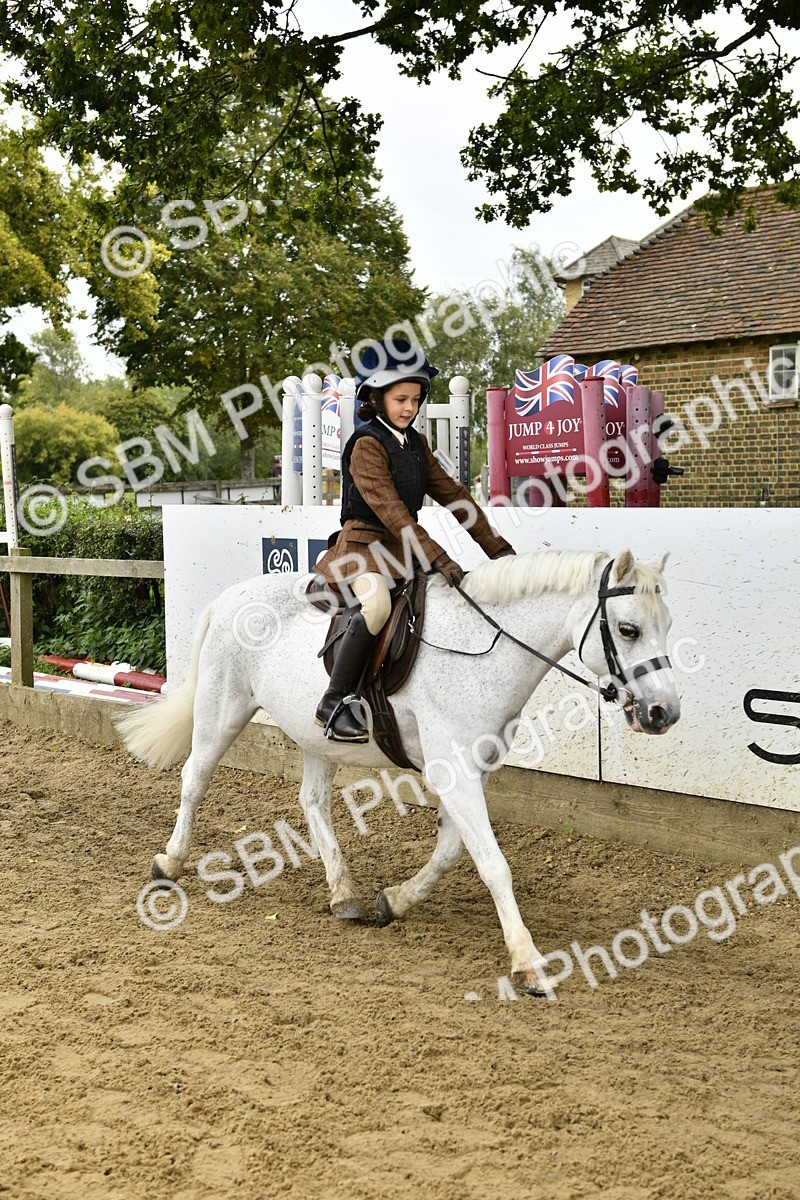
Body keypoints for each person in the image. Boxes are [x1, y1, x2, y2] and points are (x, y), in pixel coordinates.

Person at [312, 338, 515, 743]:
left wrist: (499, 552)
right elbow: (395, 516)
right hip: (361, 550)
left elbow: (457, 497)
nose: (410, 408)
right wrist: (441, 559)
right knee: (377, 605)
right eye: (400, 399)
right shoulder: (366, 445)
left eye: (416, 399)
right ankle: (333, 702)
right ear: (375, 397)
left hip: (401, 552)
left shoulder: (417, 444)